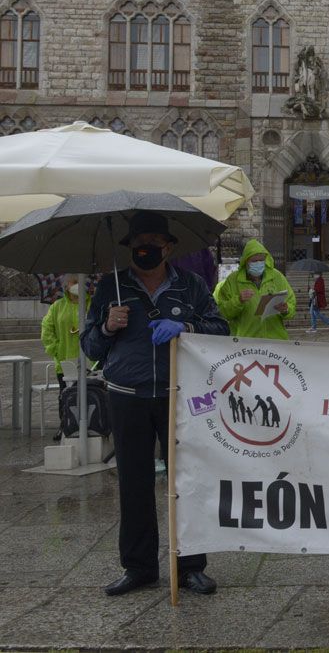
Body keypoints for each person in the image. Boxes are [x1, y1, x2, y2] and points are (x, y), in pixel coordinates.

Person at [80, 211, 230, 597]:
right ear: (129, 246)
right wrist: (106, 326)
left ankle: (191, 566)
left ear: (168, 247)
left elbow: (220, 330)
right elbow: (90, 347)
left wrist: (187, 327)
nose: (145, 250)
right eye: (138, 242)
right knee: (134, 484)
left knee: (187, 482)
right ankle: (139, 566)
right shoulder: (110, 288)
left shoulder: (190, 286)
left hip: (177, 397)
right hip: (126, 397)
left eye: (153, 243)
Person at [213, 240, 295, 340]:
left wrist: (285, 309)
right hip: (245, 341)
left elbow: (291, 305)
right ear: (245, 262)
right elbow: (223, 312)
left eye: (261, 260)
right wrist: (238, 300)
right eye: (254, 261)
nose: (258, 264)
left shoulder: (277, 276)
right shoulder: (233, 280)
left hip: (275, 340)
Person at [41, 277, 89, 389]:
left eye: (82, 281)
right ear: (66, 285)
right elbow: (46, 329)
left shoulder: (93, 304)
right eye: (75, 282)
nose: (79, 285)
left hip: (90, 363)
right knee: (67, 399)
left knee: (92, 397)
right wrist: (57, 350)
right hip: (65, 363)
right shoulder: (57, 306)